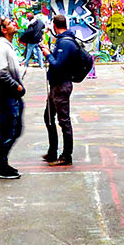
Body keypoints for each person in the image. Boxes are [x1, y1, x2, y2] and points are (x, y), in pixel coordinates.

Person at [40, 14, 81, 166]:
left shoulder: (65, 43)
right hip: (56, 86)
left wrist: (48, 54)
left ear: (54, 25)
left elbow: (58, 65)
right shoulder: (62, 41)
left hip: (61, 86)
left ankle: (66, 156)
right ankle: (52, 151)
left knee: (64, 121)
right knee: (48, 117)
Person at [0, 17, 25, 179]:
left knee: (15, 129)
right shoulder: (0, 47)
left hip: (13, 95)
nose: (14, 24)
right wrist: (16, 86)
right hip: (7, 95)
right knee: (7, 131)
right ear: (4, 30)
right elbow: (1, 73)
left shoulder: (7, 46)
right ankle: (2, 166)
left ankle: (1, 160)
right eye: (10, 23)